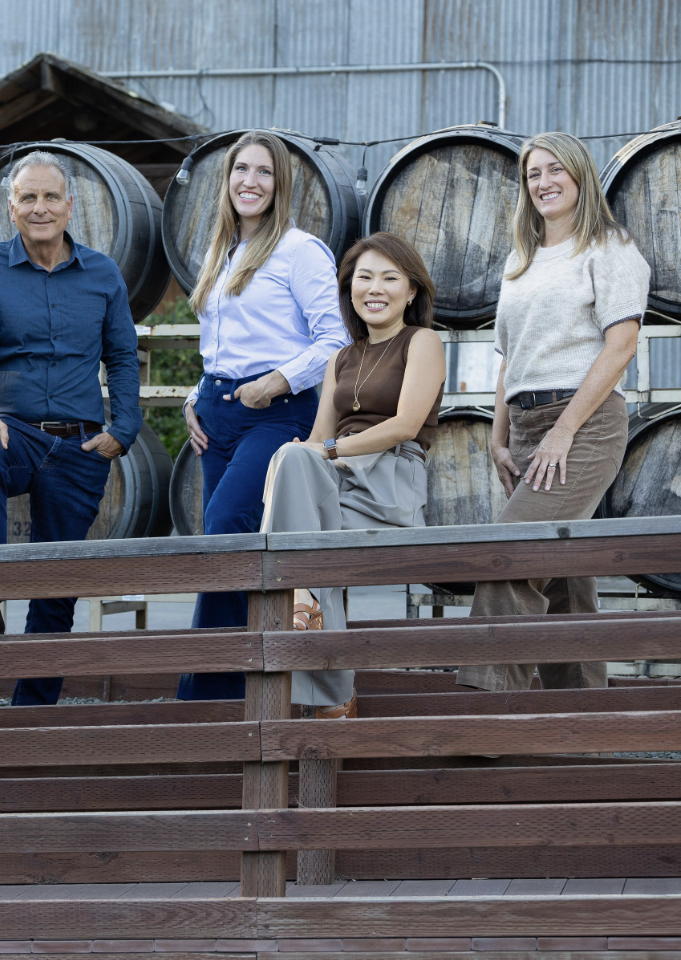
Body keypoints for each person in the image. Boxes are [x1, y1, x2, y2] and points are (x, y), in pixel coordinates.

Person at [0, 149, 141, 707]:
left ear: (70, 206)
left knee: (56, 586)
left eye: (50, 197)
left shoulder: (102, 273)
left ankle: (32, 710)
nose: (40, 207)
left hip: (80, 442)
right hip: (15, 432)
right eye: (29, 197)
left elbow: (122, 355)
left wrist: (125, 428)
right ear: (11, 207)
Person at [457, 132, 649, 693]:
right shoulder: (523, 256)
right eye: (532, 174)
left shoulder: (609, 248)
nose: (543, 182)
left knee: (510, 554)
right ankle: (583, 718)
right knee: (563, 575)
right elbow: (508, 356)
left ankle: (484, 711)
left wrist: (563, 433)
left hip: (583, 424)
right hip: (525, 425)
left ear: (579, 176)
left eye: (554, 170)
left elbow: (621, 345)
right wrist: (499, 436)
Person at [175, 130, 350, 702]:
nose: (250, 181)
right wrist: (194, 396)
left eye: (264, 172)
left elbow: (335, 340)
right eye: (240, 170)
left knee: (228, 527)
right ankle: (238, 689)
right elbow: (219, 347)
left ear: (281, 186)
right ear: (226, 182)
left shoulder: (300, 251)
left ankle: (207, 696)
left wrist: (276, 382)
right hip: (219, 414)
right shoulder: (220, 252)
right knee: (219, 549)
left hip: (276, 413)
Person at [260, 233, 445, 717]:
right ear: (349, 290)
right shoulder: (339, 358)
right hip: (338, 480)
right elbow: (318, 436)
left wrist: (328, 451)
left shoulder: (421, 341)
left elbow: (405, 424)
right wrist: (300, 455)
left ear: (411, 291)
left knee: (302, 518)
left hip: (390, 481)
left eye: (389, 277)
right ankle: (332, 695)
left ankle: (303, 603)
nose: (374, 288)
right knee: (291, 459)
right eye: (364, 277)